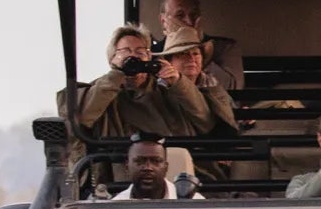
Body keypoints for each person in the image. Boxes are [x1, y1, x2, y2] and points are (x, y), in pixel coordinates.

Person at [62, 24, 210, 185]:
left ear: (149, 57)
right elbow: (83, 117)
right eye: (126, 52)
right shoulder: (98, 90)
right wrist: (117, 74)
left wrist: (179, 83)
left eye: (140, 52)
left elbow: (204, 120)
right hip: (116, 177)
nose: (134, 58)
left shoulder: (168, 89)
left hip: (170, 173)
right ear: (112, 59)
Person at [159, 0, 242, 89]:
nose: (189, 22)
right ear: (164, 21)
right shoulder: (155, 52)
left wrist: (198, 46)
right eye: (180, 15)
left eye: (193, 15)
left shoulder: (225, 47)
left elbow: (234, 87)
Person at [110, 136, 182, 200]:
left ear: (166, 168)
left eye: (156, 161)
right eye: (140, 161)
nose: (148, 168)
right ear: (127, 167)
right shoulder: (115, 207)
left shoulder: (188, 202)